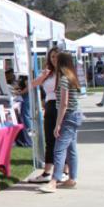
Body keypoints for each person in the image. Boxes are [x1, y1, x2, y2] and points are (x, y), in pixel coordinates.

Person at [39, 53, 84, 193]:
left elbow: (63, 103)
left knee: (59, 149)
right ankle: (72, 179)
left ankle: (54, 181)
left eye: (57, 60)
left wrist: (58, 124)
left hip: (68, 116)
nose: (54, 62)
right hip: (75, 115)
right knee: (71, 148)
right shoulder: (71, 77)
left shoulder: (64, 79)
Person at [28, 48, 61, 183]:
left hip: (61, 105)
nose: (54, 59)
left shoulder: (65, 72)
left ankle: (64, 170)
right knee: (49, 140)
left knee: (61, 139)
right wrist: (43, 76)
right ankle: (47, 172)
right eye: (52, 57)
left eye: (56, 57)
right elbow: (33, 84)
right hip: (49, 105)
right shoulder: (49, 72)